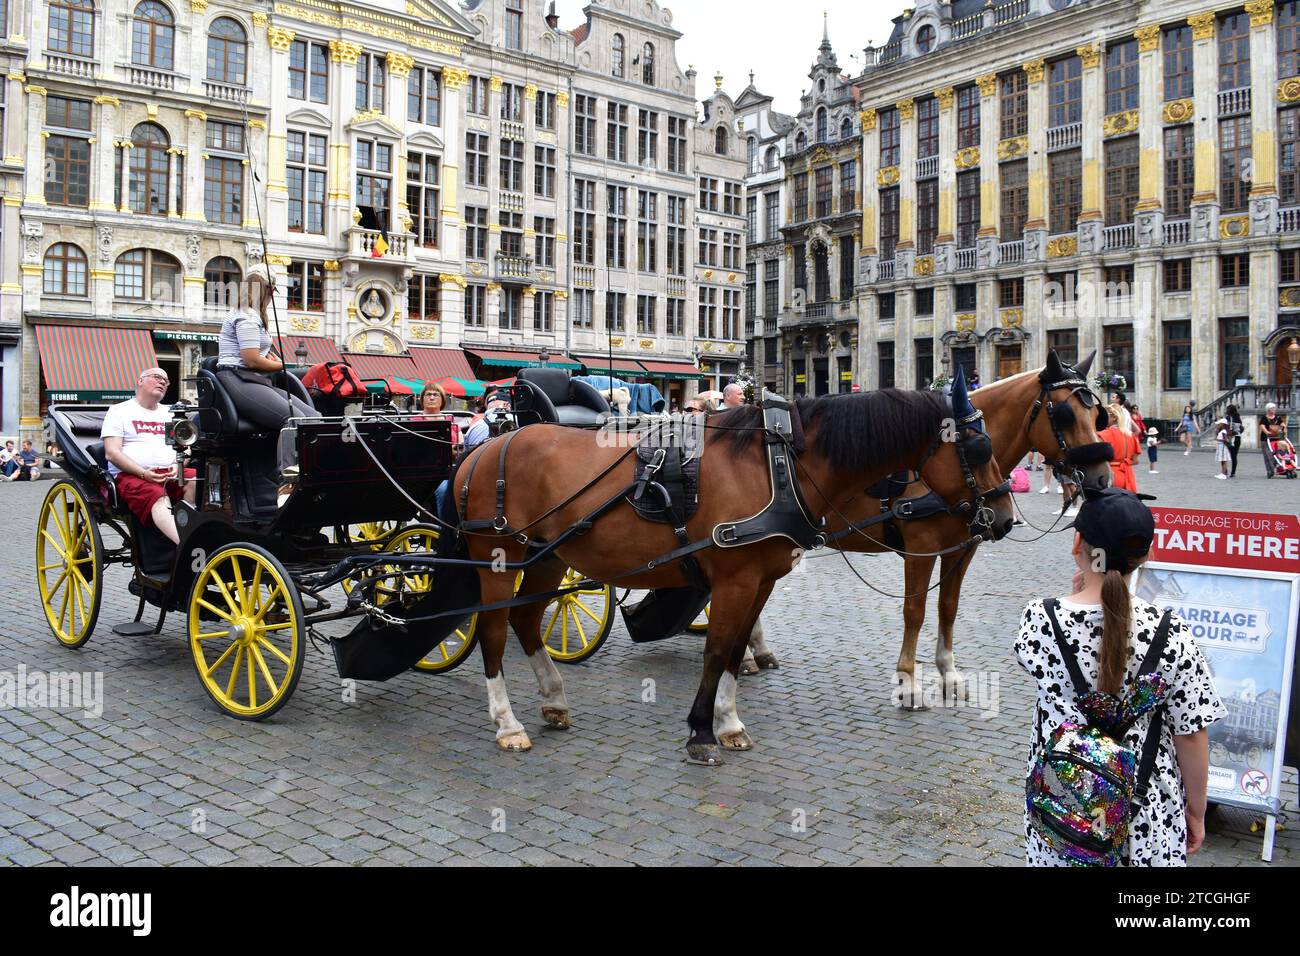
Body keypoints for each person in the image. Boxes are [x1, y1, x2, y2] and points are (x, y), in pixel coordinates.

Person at [1014, 488, 1225, 866]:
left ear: (1077, 542)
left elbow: (1070, 644)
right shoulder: (1170, 632)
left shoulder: (1039, 620)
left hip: (1065, 809)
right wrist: (1196, 809)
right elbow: (1191, 731)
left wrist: (1073, 594)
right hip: (1145, 813)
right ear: (1144, 556)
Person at [215, 263, 319, 494]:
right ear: (267, 290)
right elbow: (251, 360)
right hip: (238, 377)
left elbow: (257, 356)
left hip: (254, 378)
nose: (272, 298)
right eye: (272, 293)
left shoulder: (252, 315)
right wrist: (280, 364)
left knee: (314, 417)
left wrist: (270, 359)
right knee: (293, 419)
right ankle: (289, 480)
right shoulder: (247, 316)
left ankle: (313, 471)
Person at [100, 368, 196, 545]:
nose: (162, 382)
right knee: (157, 495)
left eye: (166, 381)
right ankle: (185, 546)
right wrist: (143, 473)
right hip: (133, 476)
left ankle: (190, 529)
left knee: (197, 480)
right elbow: (112, 452)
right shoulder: (119, 411)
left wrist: (178, 465)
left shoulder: (170, 413)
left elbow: (186, 447)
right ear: (140, 381)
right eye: (157, 377)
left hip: (171, 472)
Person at [1098, 403, 1141, 493]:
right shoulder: (1130, 435)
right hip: (1128, 476)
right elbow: (1135, 460)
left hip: (1110, 475)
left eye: (1105, 416)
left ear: (1114, 417)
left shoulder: (1103, 434)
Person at [415, 381, 461, 446]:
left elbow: (461, 443)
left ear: (442, 399)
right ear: (422, 399)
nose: (432, 398)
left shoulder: (449, 419)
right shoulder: (415, 420)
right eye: (428, 394)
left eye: (435, 395)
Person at [1259, 402, 1292, 478]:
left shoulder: (1277, 417)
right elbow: (1262, 426)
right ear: (1268, 410)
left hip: (1276, 439)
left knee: (1277, 454)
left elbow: (1283, 425)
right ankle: (1269, 471)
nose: (1274, 410)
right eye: (1272, 408)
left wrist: (1283, 429)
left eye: (1274, 408)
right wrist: (1267, 432)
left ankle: (1278, 467)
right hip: (1265, 439)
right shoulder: (1264, 418)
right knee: (1268, 455)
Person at [1225, 404, 1243, 478]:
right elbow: (1241, 429)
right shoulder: (1238, 418)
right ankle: (1233, 472)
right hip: (1238, 438)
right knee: (1234, 456)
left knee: (1225, 455)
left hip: (1230, 438)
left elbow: (1226, 428)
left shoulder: (1228, 418)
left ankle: (1225, 471)